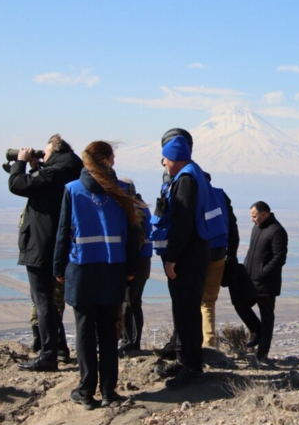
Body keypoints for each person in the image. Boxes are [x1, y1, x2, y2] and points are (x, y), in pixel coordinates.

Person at [53, 141, 141, 410]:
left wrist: (58, 269)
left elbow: (63, 233)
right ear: (109, 160)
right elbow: (134, 234)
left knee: (84, 332)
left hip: (82, 271)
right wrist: (130, 270)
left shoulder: (73, 190)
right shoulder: (121, 191)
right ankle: (109, 391)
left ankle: (86, 391)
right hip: (113, 270)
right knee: (107, 330)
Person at [150, 134, 226, 388]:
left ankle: (191, 366)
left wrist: (171, 258)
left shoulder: (185, 180)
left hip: (188, 256)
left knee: (186, 310)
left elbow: (182, 224)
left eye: (166, 157)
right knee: (185, 309)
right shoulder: (195, 174)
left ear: (175, 158)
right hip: (197, 252)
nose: (163, 162)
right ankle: (184, 359)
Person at [9, 134, 82, 372]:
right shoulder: (70, 169)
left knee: (43, 301)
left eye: (46, 152)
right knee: (48, 301)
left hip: (42, 244)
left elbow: (17, 185)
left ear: (56, 151)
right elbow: (43, 188)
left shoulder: (55, 172)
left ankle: (48, 356)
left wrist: (20, 162)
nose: (43, 155)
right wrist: (37, 166)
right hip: (57, 244)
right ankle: (58, 348)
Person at [236, 201, 288, 363]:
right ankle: (257, 331)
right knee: (240, 304)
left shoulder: (277, 231)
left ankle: (262, 353)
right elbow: (251, 251)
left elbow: (279, 258)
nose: (253, 219)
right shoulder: (256, 228)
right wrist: (244, 269)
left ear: (264, 214)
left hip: (266, 283)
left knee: (267, 317)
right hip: (250, 280)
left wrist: (263, 272)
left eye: (254, 216)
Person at [201, 174, 239, 348]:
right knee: (208, 302)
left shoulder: (194, 195)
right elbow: (232, 226)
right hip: (219, 253)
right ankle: (209, 343)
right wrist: (230, 254)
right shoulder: (221, 196)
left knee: (191, 299)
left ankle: (192, 343)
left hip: (197, 254)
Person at [119, 181, 153, 356]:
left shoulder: (134, 209)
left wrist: (129, 266)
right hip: (143, 261)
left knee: (129, 303)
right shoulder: (141, 206)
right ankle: (132, 341)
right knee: (134, 302)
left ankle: (130, 342)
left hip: (136, 261)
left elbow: (136, 239)